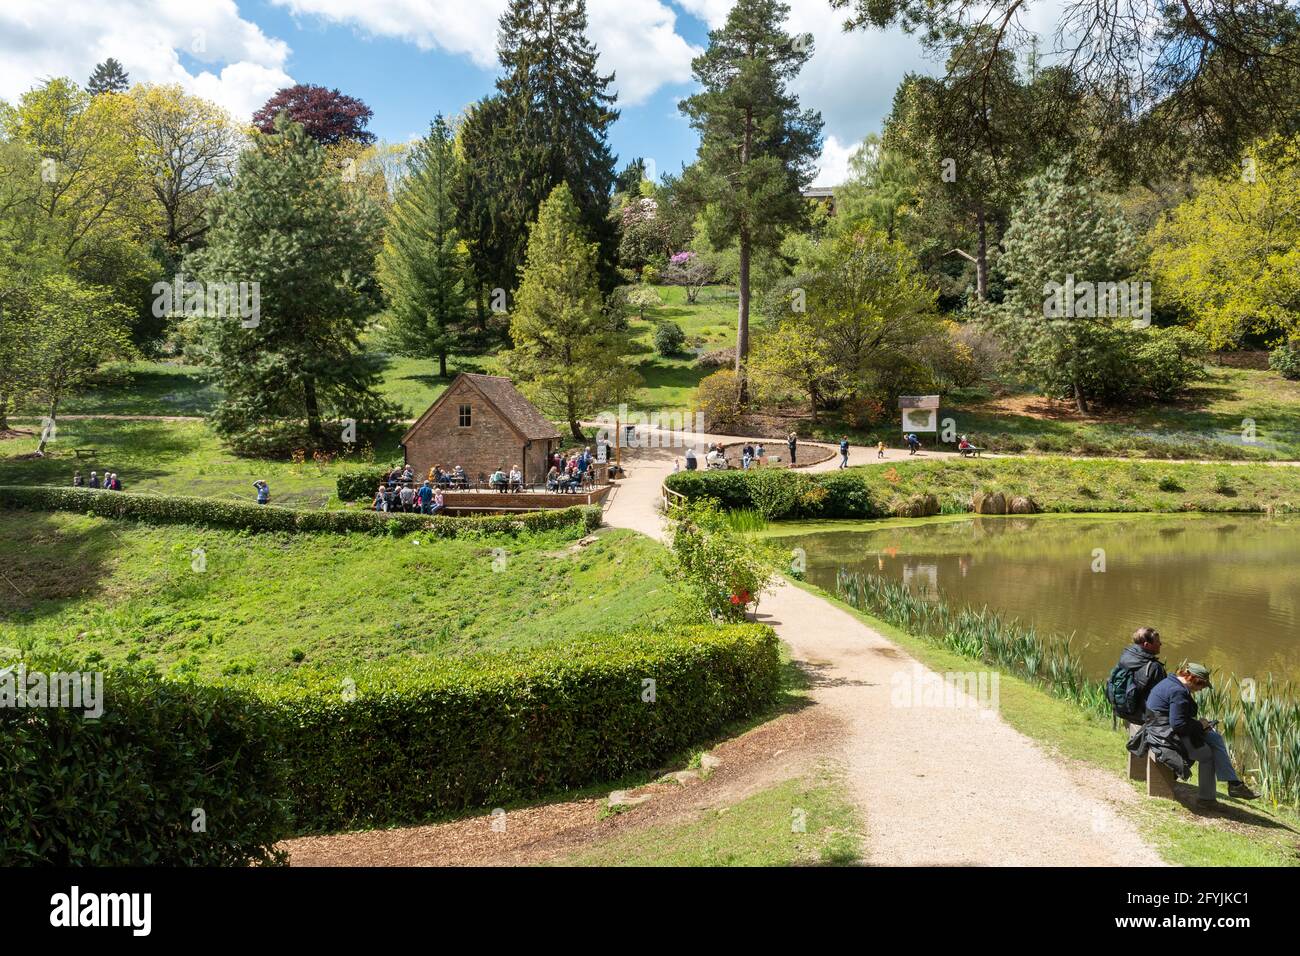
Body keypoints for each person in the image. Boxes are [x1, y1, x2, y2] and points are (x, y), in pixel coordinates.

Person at [1130, 663, 1257, 806]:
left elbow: (1175, 718)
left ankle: (1233, 784)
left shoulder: (1169, 682)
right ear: (1192, 678)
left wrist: (1199, 725)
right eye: (1201, 684)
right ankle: (1211, 797)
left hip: (1157, 727)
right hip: (1163, 735)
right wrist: (1200, 725)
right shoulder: (1179, 692)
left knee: (1215, 738)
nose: (1201, 689)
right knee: (1207, 755)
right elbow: (1178, 725)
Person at [1106, 627, 1167, 728]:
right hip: (1141, 717)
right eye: (1157, 642)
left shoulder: (1127, 655)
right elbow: (1162, 697)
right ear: (1146, 645)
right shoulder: (1154, 667)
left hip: (1124, 711)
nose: (1160, 644)